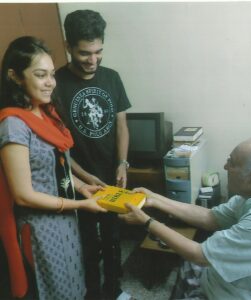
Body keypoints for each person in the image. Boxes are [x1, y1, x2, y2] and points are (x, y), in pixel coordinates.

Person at [119, 137, 251, 300]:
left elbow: (199, 255)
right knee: (188, 266)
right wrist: (155, 199)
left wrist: (147, 221)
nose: (225, 167)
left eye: (232, 162)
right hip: (227, 281)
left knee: (193, 261)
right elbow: (210, 217)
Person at [0, 36, 107, 300]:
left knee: (73, 282)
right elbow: (23, 194)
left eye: (51, 74)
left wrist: (81, 186)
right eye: (40, 75)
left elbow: (55, 164)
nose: (50, 82)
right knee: (53, 290)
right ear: (15, 76)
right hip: (40, 228)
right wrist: (81, 205)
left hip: (65, 219)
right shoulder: (13, 124)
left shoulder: (45, 112)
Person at [53, 9, 132, 300]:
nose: (93, 60)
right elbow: (57, 145)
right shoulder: (55, 83)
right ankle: (93, 293)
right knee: (86, 241)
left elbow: (122, 125)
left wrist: (122, 162)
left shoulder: (112, 78)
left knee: (113, 239)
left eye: (99, 52)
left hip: (112, 175)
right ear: (68, 46)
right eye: (85, 53)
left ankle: (115, 290)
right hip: (76, 181)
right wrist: (85, 176)